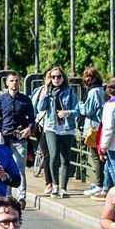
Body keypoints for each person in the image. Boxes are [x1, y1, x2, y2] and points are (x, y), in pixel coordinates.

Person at [0, 72, 37, 204]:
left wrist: (28, 129)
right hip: (4, 137)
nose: (14, 83)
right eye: (11, 80)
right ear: (7, 83)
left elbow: (32, 119)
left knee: (19, 167)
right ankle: (7, 196)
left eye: (17, 80)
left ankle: (21, 196)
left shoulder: (25, 100)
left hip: (20, 137)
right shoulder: (0, 100)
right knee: (4, 167)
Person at [34, 66, 77, 198]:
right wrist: (46, 91)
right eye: (53, 77)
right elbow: (40, 108)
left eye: (58, 77)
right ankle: (55, 185)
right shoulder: (48, 92)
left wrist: (67, 112)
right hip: (51, 127)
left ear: (63, 78)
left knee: (65, 158)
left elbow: (78, 110)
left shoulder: (69, 92)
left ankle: (63, 188)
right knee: (53, 156)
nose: (56, 79)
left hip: (66, 128)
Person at [80, 67, 109, 197]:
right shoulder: (102, 90)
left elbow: (86, 110)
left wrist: (80, 104)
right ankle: (102, 183)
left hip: (94, 128)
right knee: (101, 157)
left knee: (96, 157)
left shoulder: (93, 92)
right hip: (101, 126)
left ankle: (99, 184)